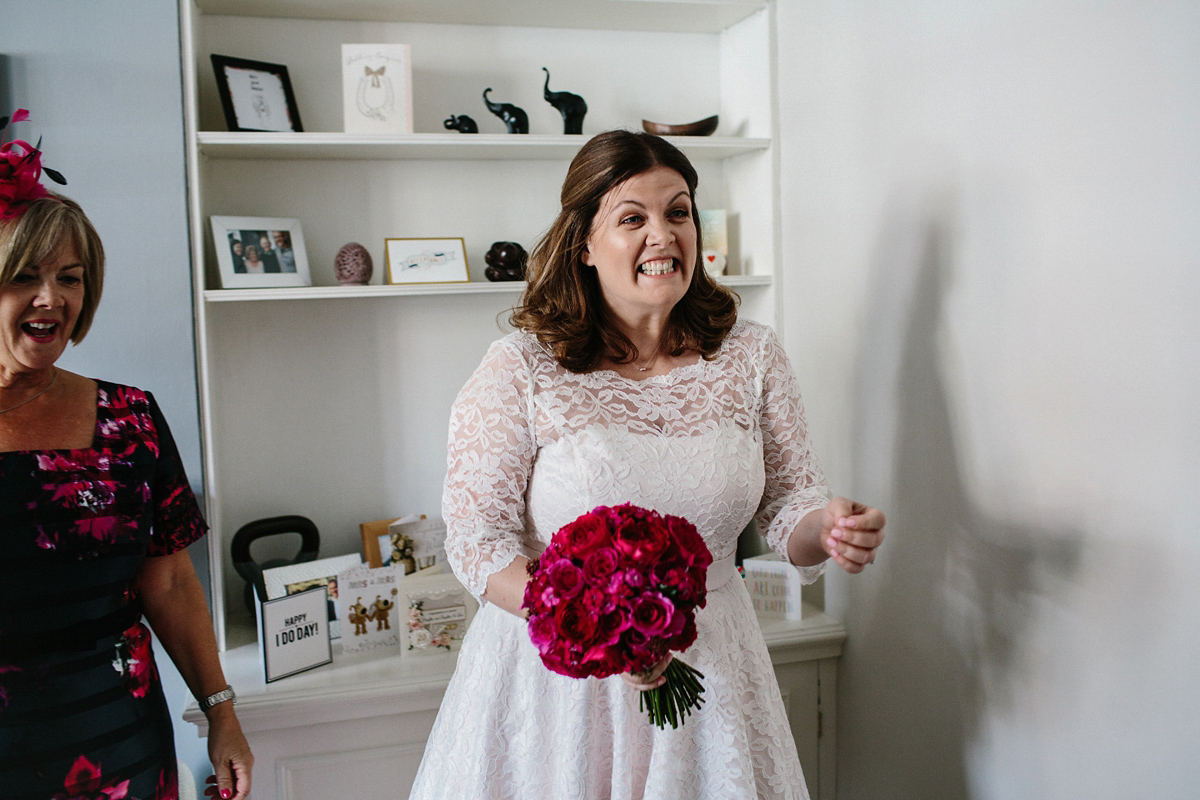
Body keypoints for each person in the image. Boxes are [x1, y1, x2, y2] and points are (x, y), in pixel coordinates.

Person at [408, 129, 886, 799]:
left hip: (714, 669)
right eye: (633, 217)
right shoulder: (520, 368)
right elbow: (477, 543)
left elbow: (788, 508)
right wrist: (599, 634)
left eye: (679, 212)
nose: (663, 235)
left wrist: (827, 526)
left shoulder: (753, 357)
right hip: (561, 684)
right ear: (584, 245)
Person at [0, 112, 253, 800]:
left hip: (122, 745)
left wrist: (223, 713)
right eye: (25, 276)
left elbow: (169, 585)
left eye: (71, 278)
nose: (51, 298)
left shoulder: (130, 417)